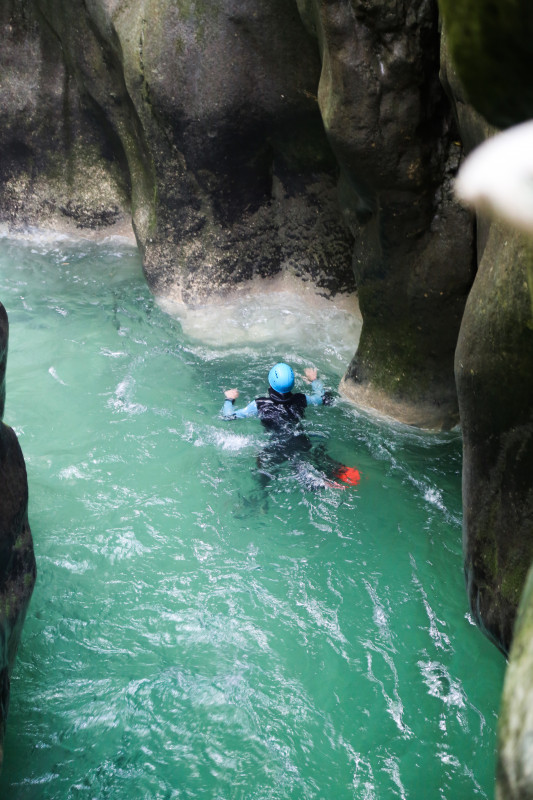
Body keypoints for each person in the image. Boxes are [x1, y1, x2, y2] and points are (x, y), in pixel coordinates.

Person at [221, 362, 326, 429]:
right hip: (302, 441)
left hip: (277, 447)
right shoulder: (301, 399)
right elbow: (322, 398)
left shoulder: (260, 405)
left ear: (270, 382)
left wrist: (229, 399)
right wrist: (314, 380)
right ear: (293, 383)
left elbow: (228, 416)